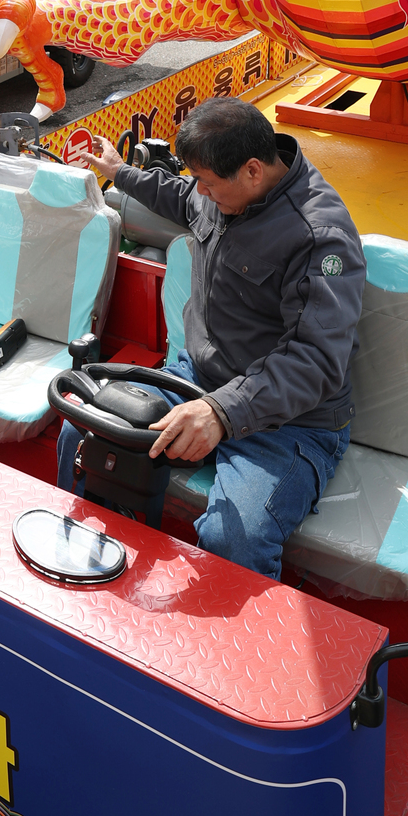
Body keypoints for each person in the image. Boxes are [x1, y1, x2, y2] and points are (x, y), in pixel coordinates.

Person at [58, 97, 365, 580]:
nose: (199, 190)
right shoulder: (222, 189)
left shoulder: (320, 236)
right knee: (85, 429)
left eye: (208, 181)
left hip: (289, 421)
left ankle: (238, 649)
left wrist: (222, 412)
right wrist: (120, 173)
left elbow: (317, 360)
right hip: (197, 377)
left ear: (252, 170)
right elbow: (184, 198)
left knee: (233, 539)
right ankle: (86, 571)